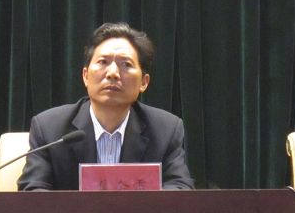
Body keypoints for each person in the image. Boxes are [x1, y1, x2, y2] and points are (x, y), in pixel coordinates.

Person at [17, 22, 194, 190]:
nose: (113, 73)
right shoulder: (49, 129)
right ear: (85, 76)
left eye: (126, 64)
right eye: (103, 62)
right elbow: (33, 190)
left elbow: (180, 188)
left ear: (144, 82)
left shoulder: (166, 130)